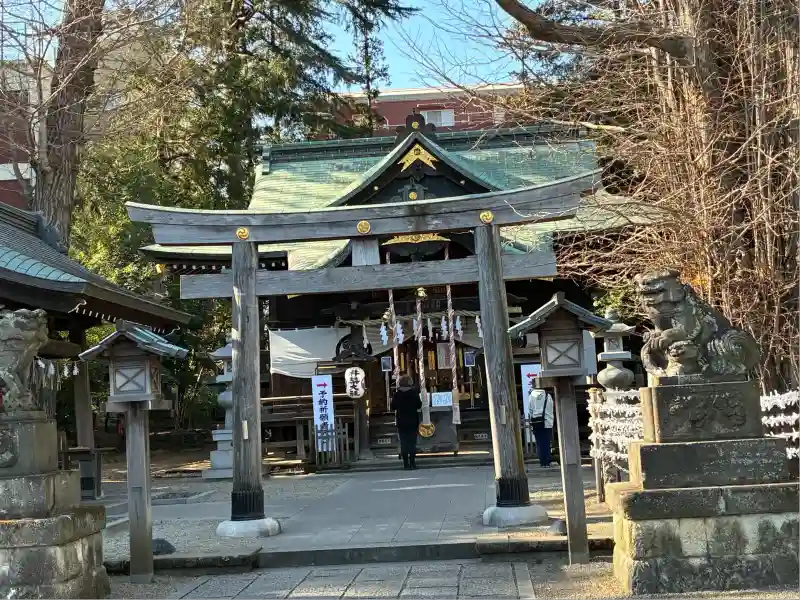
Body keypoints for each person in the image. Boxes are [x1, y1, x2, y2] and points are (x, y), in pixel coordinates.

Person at [391, 375, 422, 470]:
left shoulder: (397, 394)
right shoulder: (414, 393)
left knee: (404, 443)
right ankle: (413, 463)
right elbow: (419, 405)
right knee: (412, 443)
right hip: (412, 421)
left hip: (401, 421)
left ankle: (405, 464)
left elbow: (393, 406)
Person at [529, 388, 555, 467]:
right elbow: (551, 408)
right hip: (547, 422)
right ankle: (548, 461)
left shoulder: (531, 396)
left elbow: (530, 409)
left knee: (539, 442)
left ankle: (542, 461)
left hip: (536, 422)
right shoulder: (548, 395)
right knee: (547, 441)